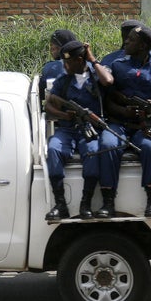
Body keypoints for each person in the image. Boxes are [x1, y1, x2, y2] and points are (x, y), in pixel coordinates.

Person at [96, 25, 151, 218]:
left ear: (142, 46)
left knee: (150, 146)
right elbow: (108, 101)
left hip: (146, 124)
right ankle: (108, 201)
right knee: (107, 144)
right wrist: (125, 111)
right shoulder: (117, 65)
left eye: (131, 40)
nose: (126, 42)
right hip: (119, 123)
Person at [44, 40, 114, 220]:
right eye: (64, 62)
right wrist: (63, 114)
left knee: (92, 153)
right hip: (67, 129)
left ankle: (86, 203)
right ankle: (60, 204)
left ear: (81, 59)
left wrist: (92, 59)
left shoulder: (97, 75)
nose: (65, 66)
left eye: (69, 62)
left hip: (89, 129)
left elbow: (108, 80)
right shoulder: (63, 81)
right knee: (54, 149)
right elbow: (49, 105)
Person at [38, 29, 78, 104]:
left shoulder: (49, 67)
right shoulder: (89, 64)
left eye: (53, 46)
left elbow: (41, 95)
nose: (51, 49)